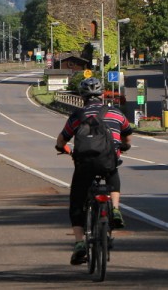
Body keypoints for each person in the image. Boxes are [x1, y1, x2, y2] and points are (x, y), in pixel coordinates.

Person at [54, 76, 132, 266]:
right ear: (102, 94)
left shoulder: (77, 116)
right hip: (107, 161)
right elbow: (128, 137)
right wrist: (122, 146)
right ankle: (114, 209)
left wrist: (64, 149)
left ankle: (80, 243)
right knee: (112, 171)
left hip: (84, 164)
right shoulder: (116, 113)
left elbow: (61, 141)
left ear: (82, 97)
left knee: (76, 201)